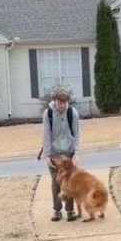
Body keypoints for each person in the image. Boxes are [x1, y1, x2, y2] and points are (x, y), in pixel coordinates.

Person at [36, 87, 81, 222]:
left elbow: (77, 134)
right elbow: (46, 136)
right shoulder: (48, 113)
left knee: (69, 182)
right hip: (54, 154)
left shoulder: (72, 113)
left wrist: (76, 153)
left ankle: (70, 210)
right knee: (56, 183)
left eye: (64, 103)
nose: (62, 106)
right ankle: (57, 210)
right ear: (54, 101)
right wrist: (47, 155)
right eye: (59, 103)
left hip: (68, 153)